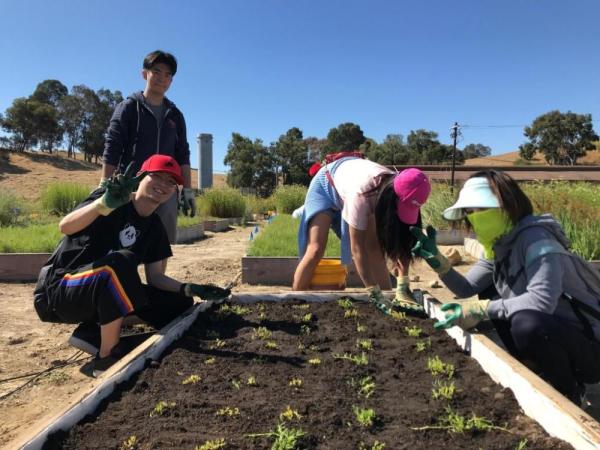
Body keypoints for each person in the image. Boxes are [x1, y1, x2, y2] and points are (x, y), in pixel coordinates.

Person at [412, 170, 600, 405]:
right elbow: (467, 288)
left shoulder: (538, 242)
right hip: (556, 332)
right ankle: (535, 367)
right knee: (491, 292)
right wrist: (439, 263)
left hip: (589, 346)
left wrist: (481, 309)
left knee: (526, 322)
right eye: (470, 212)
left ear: (507, 206)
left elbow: (541, 302)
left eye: (481, 210)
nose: (474, 218)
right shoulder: (500, 243)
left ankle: (569, 390)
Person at [33, 155, 229, 377]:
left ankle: (92, 332)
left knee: (178, 302)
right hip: (59, 291)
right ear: (140, 178)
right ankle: (106, 357)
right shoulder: (113, 199)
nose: (163, 185)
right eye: (156, 176)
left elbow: (156, 278)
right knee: (121, 262)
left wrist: (189, 288)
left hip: (100, 291)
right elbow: (65, 226)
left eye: (171, 182)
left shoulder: (155, 227)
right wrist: (102, 204)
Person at [292, 154, 431, 311]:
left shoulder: (404, 186)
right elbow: (357, 250)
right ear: (390, 199)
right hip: (325, 184)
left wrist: (403, 284)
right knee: (316, 249)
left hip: (353, 184)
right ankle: (296, 301)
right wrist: (373, 291)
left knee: (374, 248)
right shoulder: (362, 195)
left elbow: (402, 239)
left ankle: (389, 298)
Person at [101, 50, 196, 250]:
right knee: (125, 244)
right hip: (131, 188)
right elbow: (113, 146)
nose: (162, 78)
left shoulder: (176, 116)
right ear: (145, 74)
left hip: (166, 190)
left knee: (160, 246)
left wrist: (187, 190)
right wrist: (104, 183)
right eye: (157, 72)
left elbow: (183, 155)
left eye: (168, 75)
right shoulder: (128, 108)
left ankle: (156, 281)